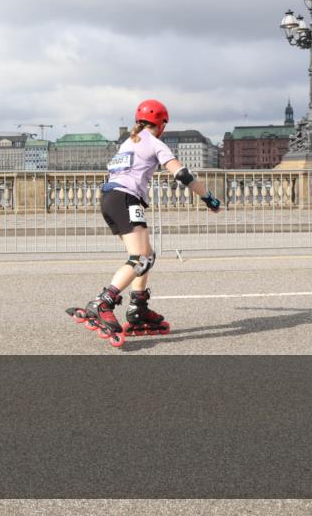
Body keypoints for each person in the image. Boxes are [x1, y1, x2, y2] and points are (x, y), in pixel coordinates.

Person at [67, 99, 221, 346]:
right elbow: (182, 174)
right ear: (161, 125)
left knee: (146, 254)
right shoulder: (155, 143)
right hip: (126, 199)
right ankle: (102, 303)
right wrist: (209, 198)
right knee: (140, 259)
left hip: (109, 198)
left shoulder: (129, 142)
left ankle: (138, 308)